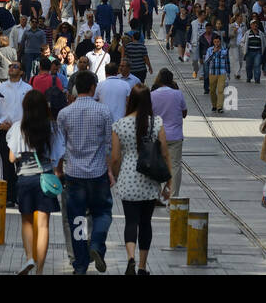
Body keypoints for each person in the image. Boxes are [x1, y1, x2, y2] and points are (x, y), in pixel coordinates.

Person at [56, 72, 115, 274]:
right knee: (103, 212)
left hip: (74, 175)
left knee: (77, 219)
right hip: (98, 174)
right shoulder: (104, 112)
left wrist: (59, 170)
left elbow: (60, 147)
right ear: (92, 87)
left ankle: (80, 264)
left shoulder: (64, 113)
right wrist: (111, 172)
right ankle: (97, 244)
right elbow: (108, 146)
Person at [110, 85, 173, 275]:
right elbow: (165, 153)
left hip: (128, 179)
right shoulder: (156, 122)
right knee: (146, 223)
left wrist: (115, 175)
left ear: (131, 101)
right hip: (149, 180)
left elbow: (115, 157)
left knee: (131, 222)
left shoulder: (120, 124)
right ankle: (142, 266)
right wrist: (168, 182)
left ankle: (130, 257)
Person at [8, 88, 64, 275]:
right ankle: (40, 269)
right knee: (43, 225)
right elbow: (57, 156)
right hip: (45, 179)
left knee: (26, 222)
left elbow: (11, 158)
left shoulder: (18, 127)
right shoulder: (53, 127)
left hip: (25, 179)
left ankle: (29, 258)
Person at [0, 60, 32, 194]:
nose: (11, 68)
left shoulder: (28, 89)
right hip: (5, 132)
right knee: (7, 164)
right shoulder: (1, 88)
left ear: (21, 71)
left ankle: (21, 195)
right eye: (10, 66)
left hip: (22, 132)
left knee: (22, 164)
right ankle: (9, 196)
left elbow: (32, 109)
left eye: (15, 66)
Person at [150, 69, 188, 198]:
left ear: (159, 79)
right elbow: (184, 113)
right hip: (175, 136)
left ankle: (157, 195)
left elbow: (149, 114)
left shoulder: (153, 95)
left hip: (157, 136)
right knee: (175, 166)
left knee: (157, 165)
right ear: (171, 80)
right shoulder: (178, 94)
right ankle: (173, 197)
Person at [204, 34, 230, 113]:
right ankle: (214, 105)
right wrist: (213, 53)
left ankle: (219, 107)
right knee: (212, 91)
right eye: (215, 42)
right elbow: (206, 61)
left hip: (222, 72)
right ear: (213, 42)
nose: (216, 43)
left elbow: (227, 62)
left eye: (218, 42)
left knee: (220, 90)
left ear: (220, 42)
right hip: (212, 73)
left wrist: (228, 72)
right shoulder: (209, 50)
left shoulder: (224, 50)